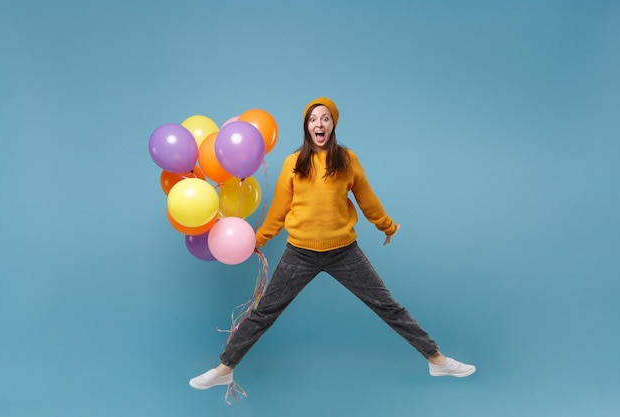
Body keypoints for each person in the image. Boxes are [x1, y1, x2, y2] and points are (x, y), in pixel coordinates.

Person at [189, 97, 476, 391]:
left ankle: (437, 360)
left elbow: (367, 199)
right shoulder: (293, 163)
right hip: (300, 253)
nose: (319, 124)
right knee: (265, 312)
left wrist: (387, 226)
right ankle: (225, 369)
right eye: (313, 119)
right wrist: (259, 238)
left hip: (344, 253)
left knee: (388, 306)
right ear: (307, 126)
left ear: (333, 124)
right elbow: (279, 209)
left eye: (325, 118)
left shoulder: (347, 160)